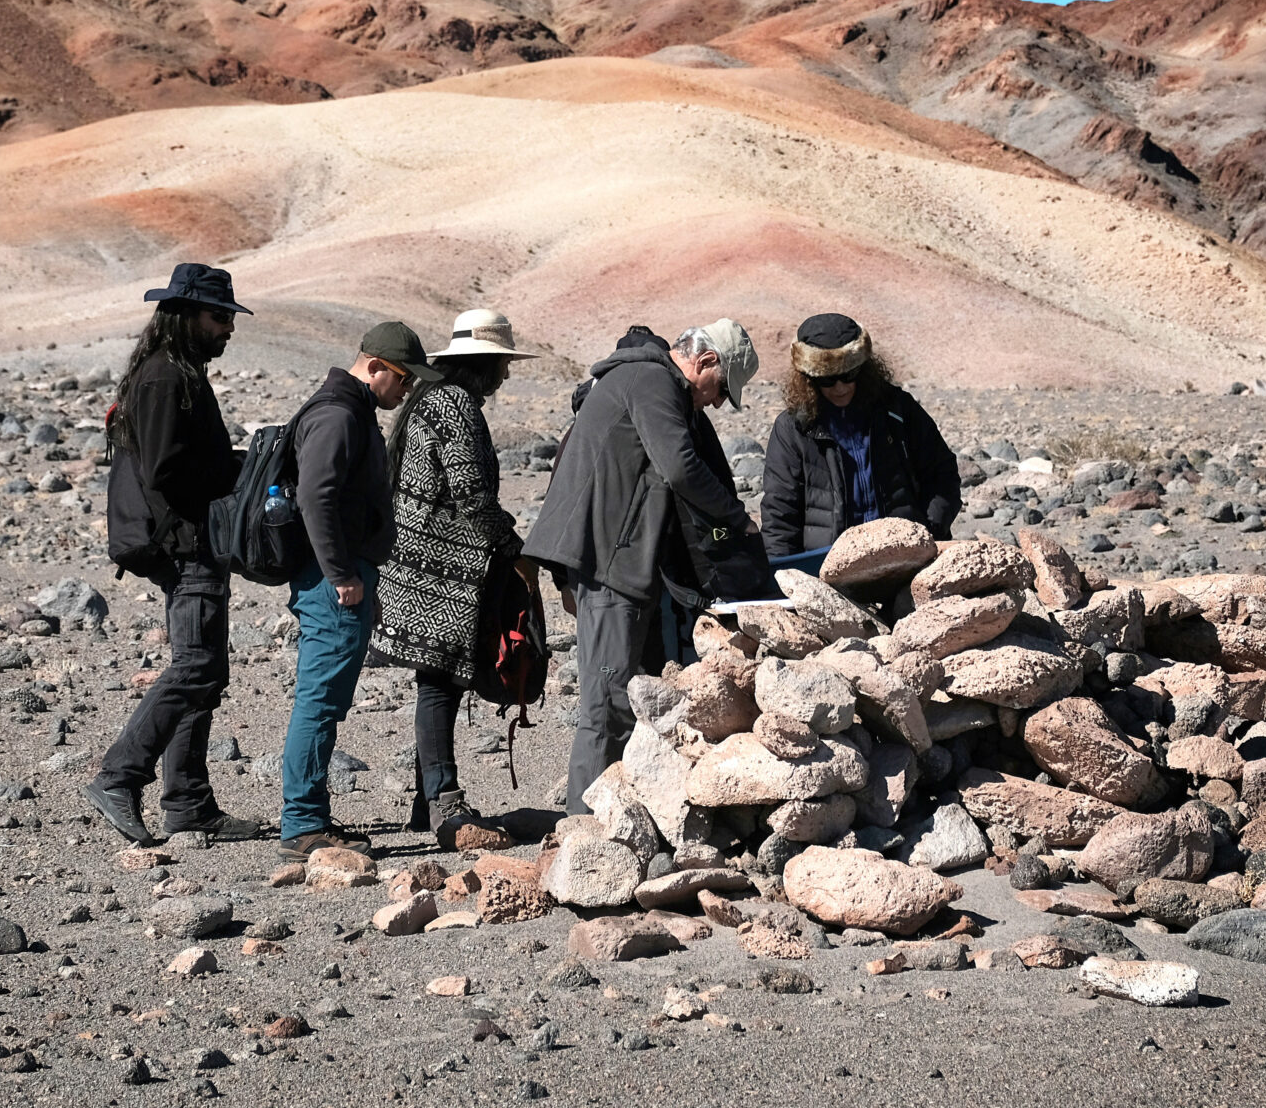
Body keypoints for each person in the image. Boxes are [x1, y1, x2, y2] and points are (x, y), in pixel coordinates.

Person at [523, 318, 767, 815]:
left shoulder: (651, 381)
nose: (718, 403)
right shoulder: (653, 382)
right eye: (721, 389)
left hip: (623, 563)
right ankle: (585, 827)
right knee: (608, 702)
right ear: (705, 361)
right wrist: (736, 517)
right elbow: (679, 466)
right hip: (613, 567)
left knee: (623, 697)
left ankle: (613, 818)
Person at [86, 263, 259, 846]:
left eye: (229, 317)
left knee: (205, 671)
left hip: (190, 542)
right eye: (218, 317)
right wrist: (236, 471)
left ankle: (187, 803)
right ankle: (120, 775)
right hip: (183, 544)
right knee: (196, 667)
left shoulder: (175, 373)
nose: (227, 329)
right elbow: (167, 470)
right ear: (183, 316)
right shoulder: (165, 378)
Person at [366, 309, 534, 843]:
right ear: (481, 364)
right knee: (438, 683)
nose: (504, 376)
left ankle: (426, 799)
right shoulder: (454, 405)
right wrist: (514, 547)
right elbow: (471, 496)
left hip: (420, 566)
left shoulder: (430, 401)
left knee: (436, 680)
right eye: (500, 364)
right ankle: (443, 798)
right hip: (440, 573)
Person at [278, 320, 433, 859]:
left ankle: (307, 818)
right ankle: (301, 825)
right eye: (404, 377)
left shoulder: (347, 410)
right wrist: (342, 575)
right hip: (332, 583)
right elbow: (316, 498)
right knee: (319, 700)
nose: (407, 388)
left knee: (324, 699)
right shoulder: (340, 414)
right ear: (375, 367)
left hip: (336, 576)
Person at [760, 313, 960, 558]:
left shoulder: (897, 410)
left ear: (863, 368)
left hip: (905, 558)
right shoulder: (793, 429)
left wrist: (929, 533)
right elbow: (780, 513)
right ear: (809, 378)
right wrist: (786, 576)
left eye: (849, 375)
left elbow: (942, 475)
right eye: (828, 379)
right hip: (828, 568)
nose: (840, 388)